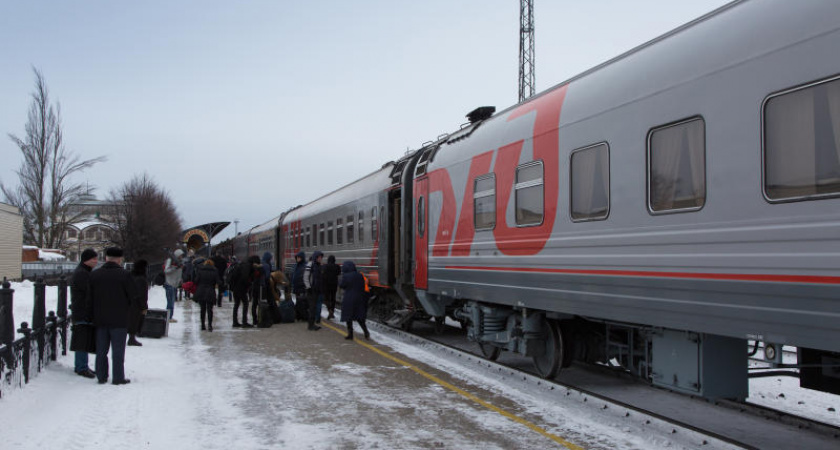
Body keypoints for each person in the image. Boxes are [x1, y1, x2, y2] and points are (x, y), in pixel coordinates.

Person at [89, 247, 137, 385]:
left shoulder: (95, 275)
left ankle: (101, 376)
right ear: (120, 259)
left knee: (101, 350)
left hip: (100, 319)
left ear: (106, 258)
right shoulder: (125, 275)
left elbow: (89, 298)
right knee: (118, 351)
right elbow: (132, 296)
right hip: (119, 319)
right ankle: (118, 377)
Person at [69, 248, 98, 378]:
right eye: (94, 259)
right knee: (82, 340)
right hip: (82, 311)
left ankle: (82, 366)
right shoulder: (82, 274)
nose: (96, 261)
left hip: (81, 310)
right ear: (87, 260)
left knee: (83, 340)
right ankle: (81, 367)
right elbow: (88, 293)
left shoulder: (84, 272)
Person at [339, 260, 370, 340]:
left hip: (349, 298)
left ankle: (350, 334)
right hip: (359, 298)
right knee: (359, 317)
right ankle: (366, 332)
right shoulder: (359, 275)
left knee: (348, 317)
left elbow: (342, 285)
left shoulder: (346, 276)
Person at [194, 259, 221, 331]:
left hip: (201, 291)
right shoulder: (215, 271)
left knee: (202, 309)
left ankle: (202, 325)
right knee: (210, 309)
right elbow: (218, 281)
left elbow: (196, 281)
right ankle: (210, 325)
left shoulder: (200, 270)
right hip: (210, 291)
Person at [128, 259, 150, 346]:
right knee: (135, 320)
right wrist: (144, 306)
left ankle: (132, 338)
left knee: (131, 320)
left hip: (129, 302)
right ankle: (132, 338)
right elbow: (142, 294)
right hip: (136, 304)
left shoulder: (131, 276)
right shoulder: (141, 279)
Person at [230, 254, 254, 328]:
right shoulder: (247, 266)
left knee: (236, 304)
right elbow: (245, 277)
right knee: (245, 303)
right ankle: (244, 322)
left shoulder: (239, 265)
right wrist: (249, 284)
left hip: (235, 288)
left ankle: (235, 322)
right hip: (241, 288)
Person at [304, 251, 324, 330]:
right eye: (319, 257)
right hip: (311, 290)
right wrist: (308, 287)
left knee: (314, 308)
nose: (320, 259)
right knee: (312, 308)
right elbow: (306, 277)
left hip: (316, 290)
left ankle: (312, 324)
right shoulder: (310, 265)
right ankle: (310, 325)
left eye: (321, 257)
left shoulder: (319, 266)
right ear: (315, 257)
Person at [163, 249, 184, 322]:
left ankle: (170, 316)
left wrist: (180, 280)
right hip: (169, 283)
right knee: (170, 302)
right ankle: (169, 317)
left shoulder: (179, 262)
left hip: (174, 284)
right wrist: (175, 268)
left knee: (172, 302)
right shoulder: (170, 261)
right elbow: (166, 271)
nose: (182, 256)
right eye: (181, 255)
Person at [321, 255, 340, 320]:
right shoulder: (337, 266)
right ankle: (332, 311)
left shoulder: (325, 266)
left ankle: (330, 310)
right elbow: (338, 273)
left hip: (326, 285)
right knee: (333, 298)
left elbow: (322, 274)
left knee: (326, 299)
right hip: (334, 285)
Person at [291, 251, 307, 322]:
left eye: (299, 257)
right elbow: (294, 275)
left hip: (301, 287)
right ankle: (299, 316)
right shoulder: (296, 266)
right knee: (298, 301)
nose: (297, 258)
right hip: (296, 287)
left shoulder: (304, 266)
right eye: (297, 257)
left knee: (301, 302)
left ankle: (302, 316)